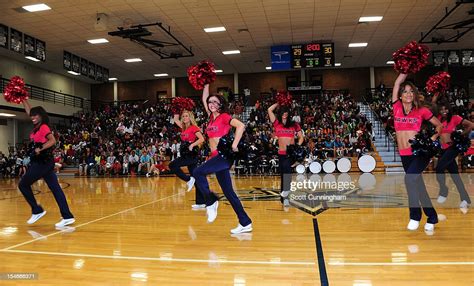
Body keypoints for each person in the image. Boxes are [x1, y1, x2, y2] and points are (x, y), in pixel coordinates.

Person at [193, 84, 252, 234]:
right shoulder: (210, 118)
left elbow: (241, 126)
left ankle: (211, 201)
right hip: (215, 157)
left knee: (198, 172)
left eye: (215, 102)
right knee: (229, 193)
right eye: (210, 102)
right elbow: (204, 98)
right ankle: (245, 222)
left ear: (220, 105)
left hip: (223, 157)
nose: (211, 104)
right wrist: (205, 83)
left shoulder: (224, 116)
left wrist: (234, 145)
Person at [392, 73, 443, 233]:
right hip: (404, 154)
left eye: (411, 91)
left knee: (409, 179)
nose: (408, 94)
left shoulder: (422, 111)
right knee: (418, 186)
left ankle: (415, 216)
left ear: (414, 94)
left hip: (419, 152)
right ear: (400, 95)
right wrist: (404, 70)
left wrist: (433, 137)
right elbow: (396, 83)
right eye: (405, 91)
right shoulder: (396, 107)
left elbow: (439, 125)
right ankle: (432, 216)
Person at [18, 100, 75, 227]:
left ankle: (37, 210)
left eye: (35, 115)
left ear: (41, 116)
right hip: (45, 163)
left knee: (23, 184)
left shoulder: (43, 127)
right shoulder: (37, 127)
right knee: (55, 189)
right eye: (32, 115)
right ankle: (67, 216)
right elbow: (29, 111)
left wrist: (41, 148)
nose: (32, 117)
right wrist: (23, 99)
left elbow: (52, 140)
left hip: (42, 162)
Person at [432, 100, 473, 211]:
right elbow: (431, 109)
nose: (444, 111)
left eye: (445, 109)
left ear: (449, 109)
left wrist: (460, 134)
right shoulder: (439, 119)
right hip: (442, 150)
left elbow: (471, 125)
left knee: (439, 168)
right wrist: (435, 99)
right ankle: (465, 200)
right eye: (441, 109)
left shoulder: (455, 118)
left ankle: (444, 191)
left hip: (452, 148)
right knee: (455, 176)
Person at [267, 102, 304, 204]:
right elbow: (269, 110)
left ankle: (286, 193)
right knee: (283, 174)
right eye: (283, 112)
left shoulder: (294, 124)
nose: (285, 114)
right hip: (281, 153)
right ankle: (284, 197)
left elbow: (301, 137)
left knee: (287, 173)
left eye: (286, 112)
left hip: (290, 153)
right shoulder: (276, 123)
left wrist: (297, 146)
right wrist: (278, 103)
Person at [169, 109, 206, 209]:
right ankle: (201, 202)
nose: (184, 118)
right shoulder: (183, 128)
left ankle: (189, 179)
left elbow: (202, 139)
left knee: (172, 165)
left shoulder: (193, 127)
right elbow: (176, 119)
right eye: (183, 116)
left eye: (186, 116)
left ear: (190, 118)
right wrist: (177, 106)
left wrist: (192, 145)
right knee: (197, 178)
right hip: (185, 154)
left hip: (191, 155)